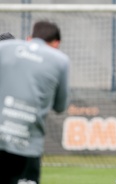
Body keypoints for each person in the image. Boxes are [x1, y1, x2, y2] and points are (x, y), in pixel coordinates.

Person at [0, 21, 69, 184]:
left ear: (29, 39)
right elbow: (60, 106)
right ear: (56, 43)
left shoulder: (6, 50)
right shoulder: (60, 61)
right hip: (28, 145)